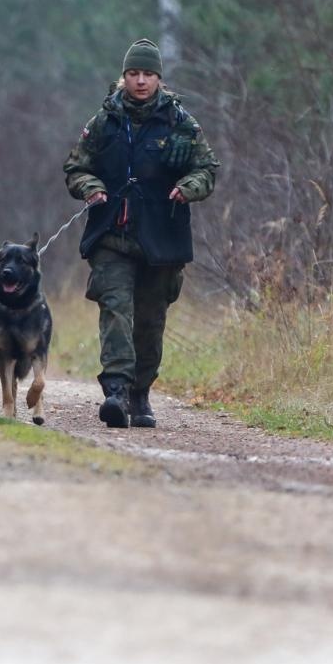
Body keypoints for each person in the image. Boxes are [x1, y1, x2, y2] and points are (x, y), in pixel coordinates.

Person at [63, 38, 219, 428]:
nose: (140, 81)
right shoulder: (104, 121)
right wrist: (90, 188)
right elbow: (75, 168)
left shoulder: (181, 123)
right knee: (115, 309)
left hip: (161, 238)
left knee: (150, 320)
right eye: (134, 73)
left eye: (148, 74)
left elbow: (208, 170)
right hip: (112, 234)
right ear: (124, 77)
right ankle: (115, 389)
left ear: (159, 78)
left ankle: (140, 393)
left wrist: (187, 188)